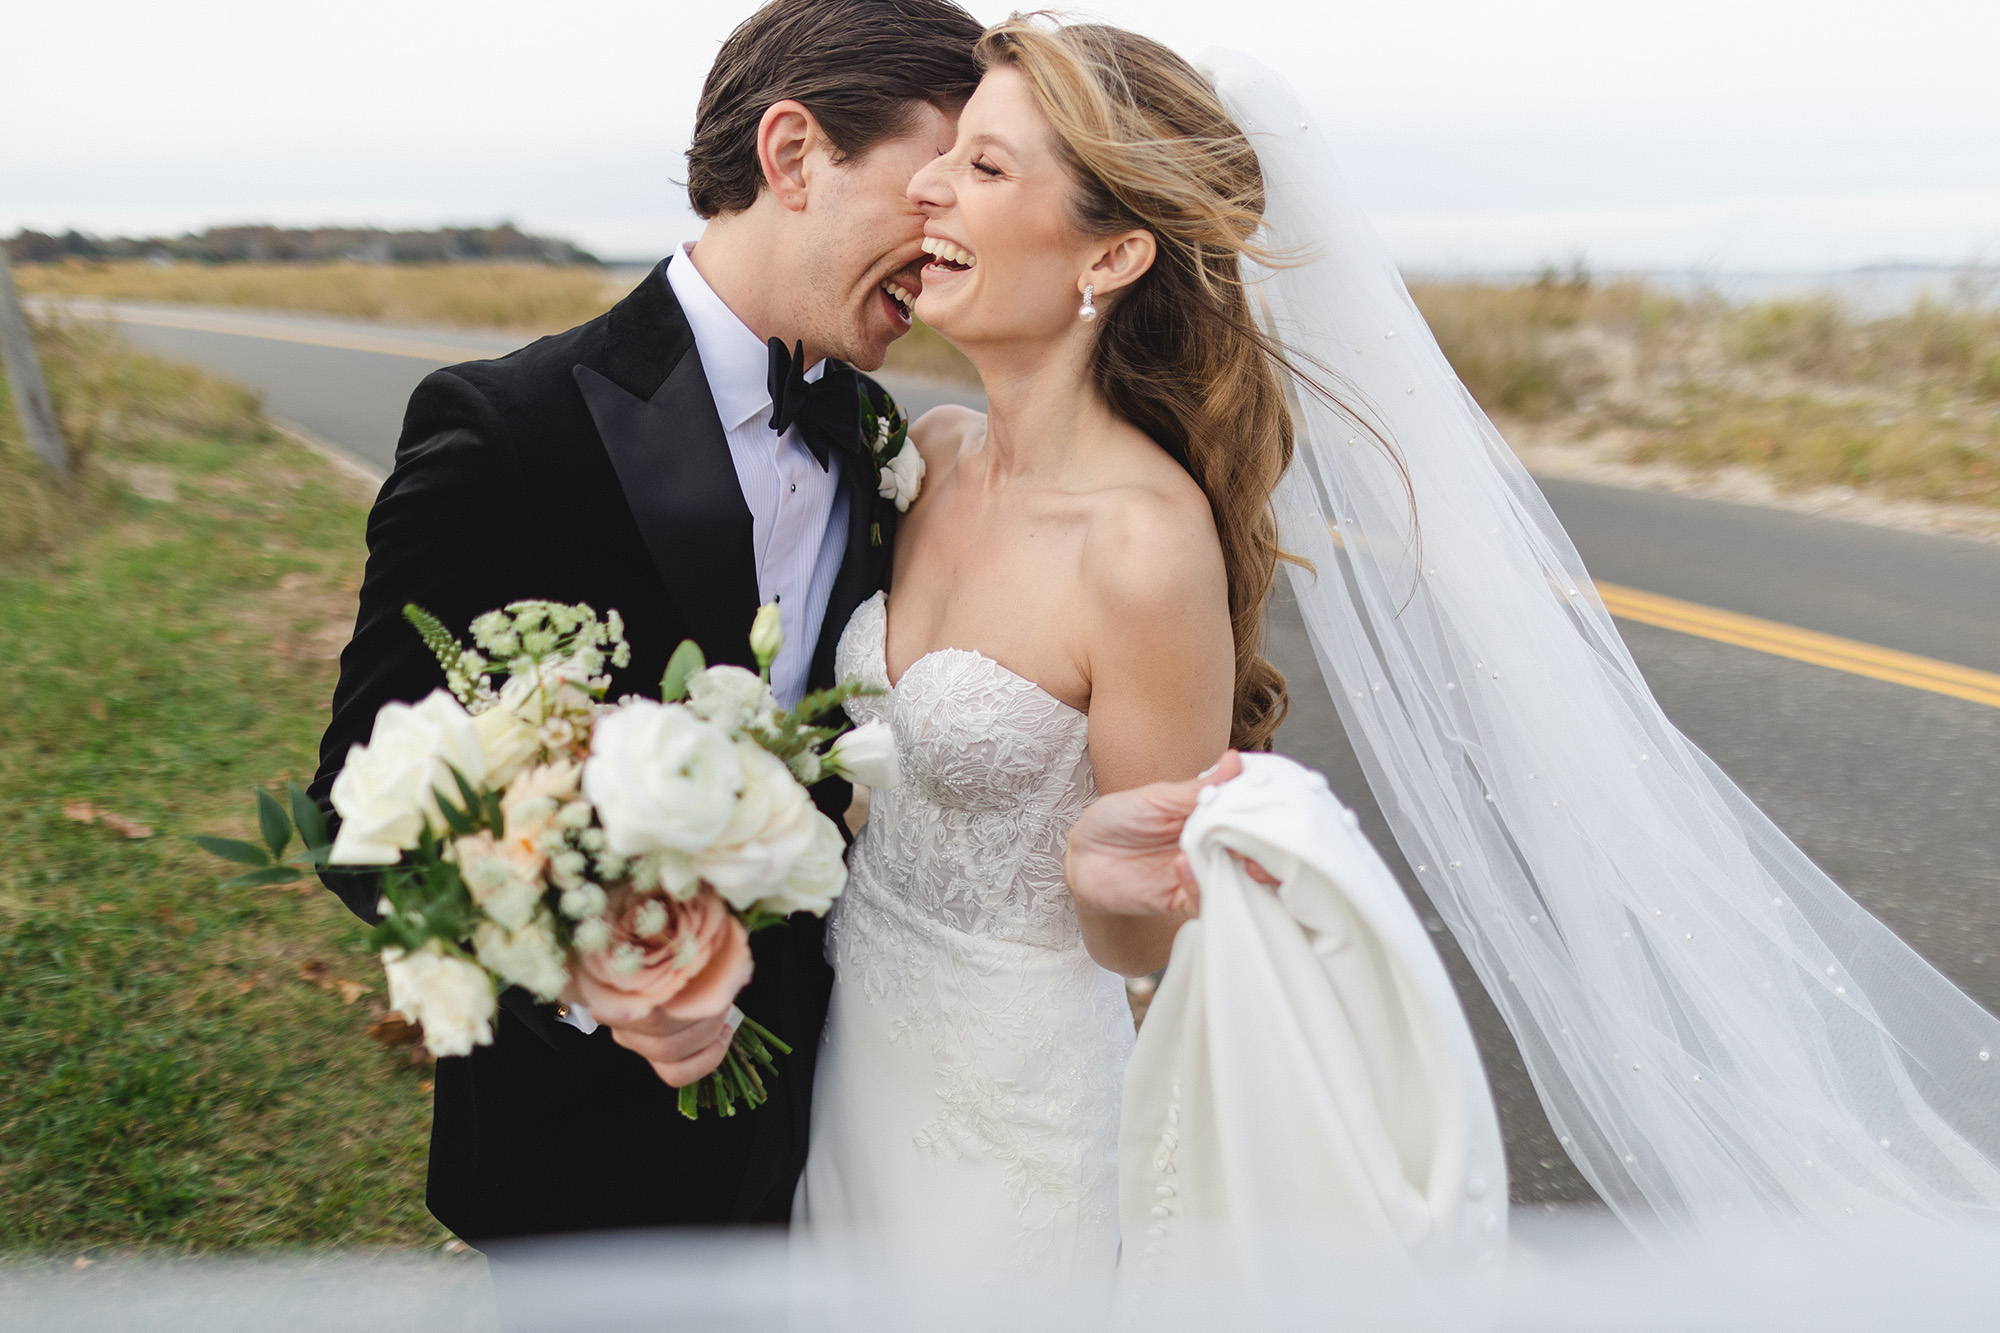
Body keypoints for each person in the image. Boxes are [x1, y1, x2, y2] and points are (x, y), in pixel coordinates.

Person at [308, 0, 986, 1242]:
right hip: (580, 1156)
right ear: (793, 155)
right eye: (934, 186)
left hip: (844, 1134)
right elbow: (358, 813)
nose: (953, 246)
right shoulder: (506, 428)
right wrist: (594, 982)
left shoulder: (884, 441)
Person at [790, 19, 1295, 1277]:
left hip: (1014, 1120)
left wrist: (1126, 892)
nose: (929, 187)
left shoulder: (1140, 547)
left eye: (985, 168)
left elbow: (1152, 947)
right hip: (853, 1046)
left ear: (1112, 252)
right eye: (945, 157)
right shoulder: (936, 452)